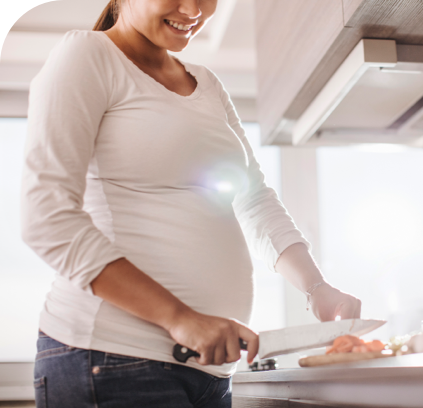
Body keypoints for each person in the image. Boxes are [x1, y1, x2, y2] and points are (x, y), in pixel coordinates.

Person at [20, 0, 361, 407]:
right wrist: (180, 319)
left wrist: (316, 287)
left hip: (208, 372)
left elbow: (253, 198)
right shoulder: (87, 56)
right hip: (112, 359)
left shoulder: (207, 83)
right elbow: (47, 217)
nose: (192, 8)